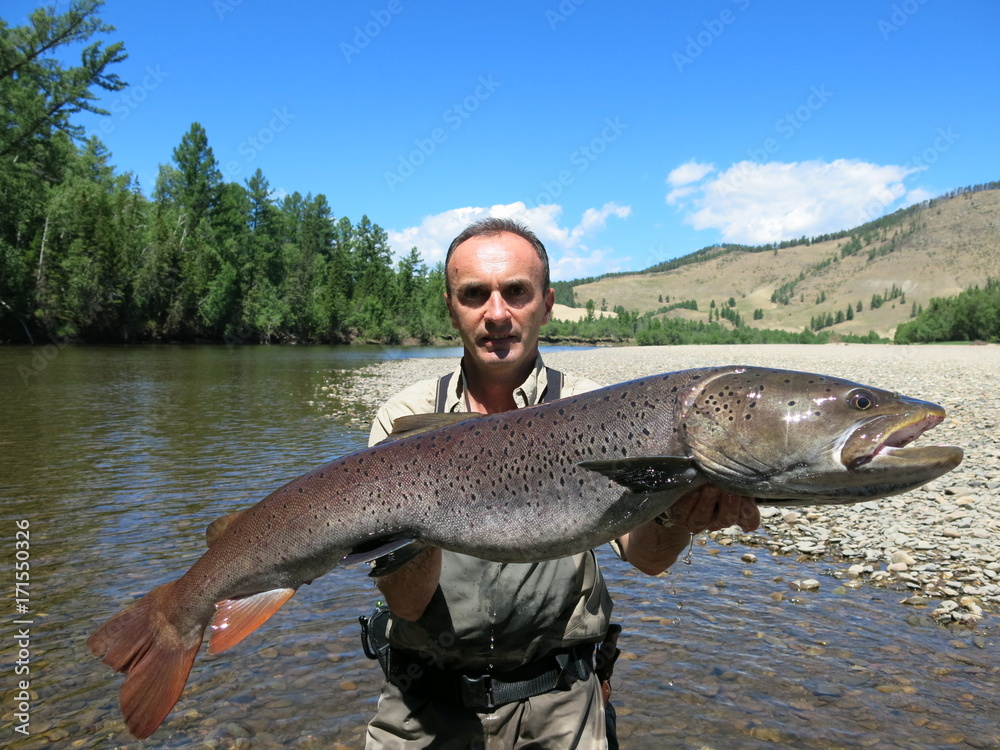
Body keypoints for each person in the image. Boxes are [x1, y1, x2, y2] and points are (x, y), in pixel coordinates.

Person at [363, 218, 759, 749]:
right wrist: (427, 504)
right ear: (451, 306)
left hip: (564, 709)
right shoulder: (405, 420)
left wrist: (674, 516)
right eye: (475, 294)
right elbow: (407, 604)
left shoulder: (605, 411)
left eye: (517, 292)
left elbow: (648, 558)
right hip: (424, 710)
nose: (497, 313)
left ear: (546, 304)